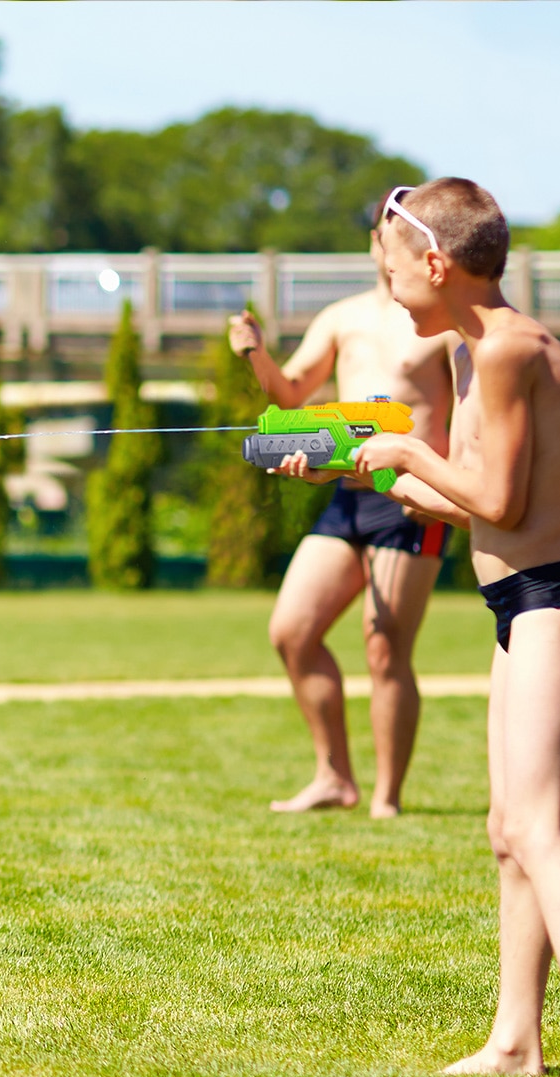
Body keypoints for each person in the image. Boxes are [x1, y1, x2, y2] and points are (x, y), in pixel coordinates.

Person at [353, 177, 560, 1077]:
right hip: (520, 600)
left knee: (535, 827)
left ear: (436, 263)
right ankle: (517, 1040)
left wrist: (408, 454)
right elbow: (474, 501)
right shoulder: (480, 351)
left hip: (554, 603)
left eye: (391, 270)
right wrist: (375, 474)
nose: (388, 287)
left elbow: (503, 503)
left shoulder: (512, 350)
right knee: (504, 833)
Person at [227, 200, 457, 818]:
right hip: (346, 496)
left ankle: (387, 796)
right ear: (376, 241)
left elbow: (469, 420)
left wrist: (441, 493)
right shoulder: (344, 317)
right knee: (292, 632)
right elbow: (293, 394)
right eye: (387, 233)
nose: (391, 244)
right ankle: (335, 777)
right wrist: (254, 352)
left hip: (410, 504)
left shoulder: (443, 326)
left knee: (384, 650)